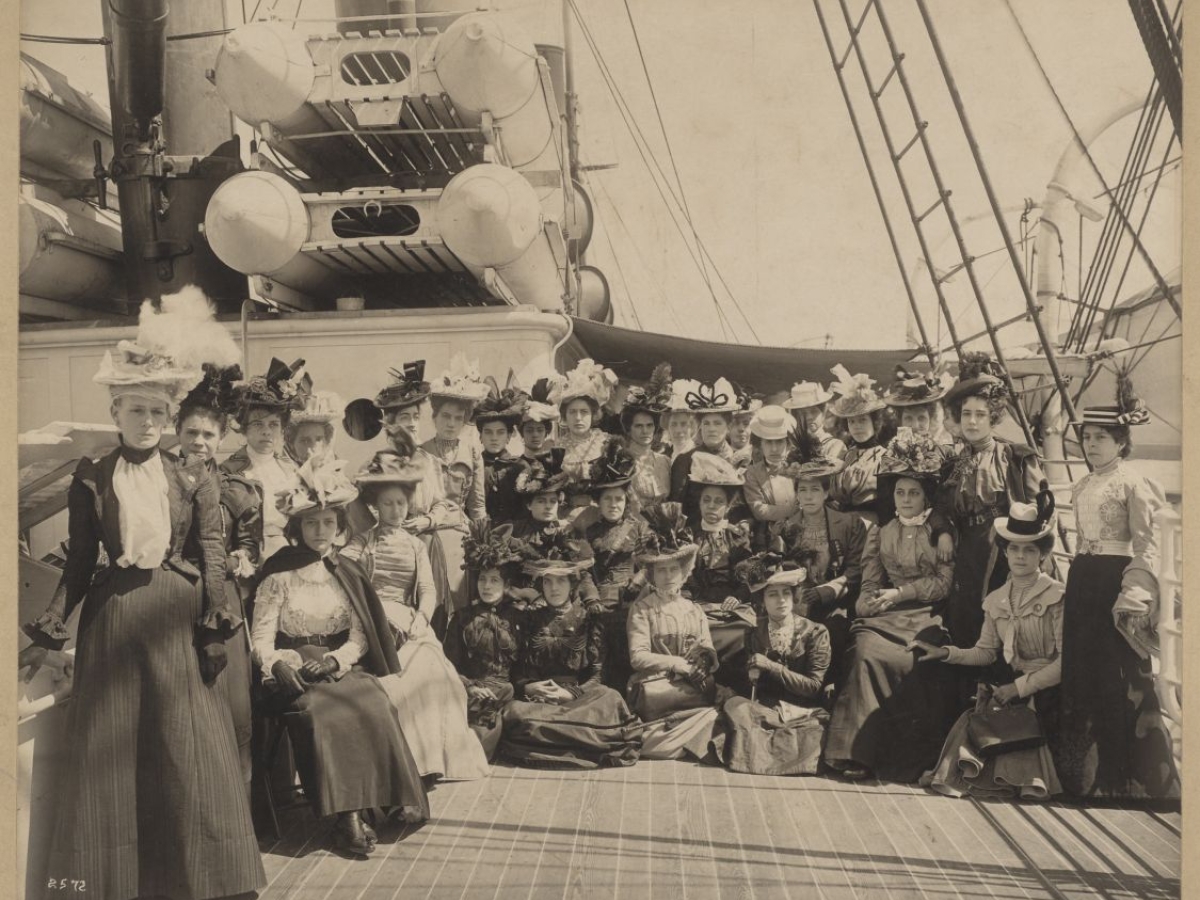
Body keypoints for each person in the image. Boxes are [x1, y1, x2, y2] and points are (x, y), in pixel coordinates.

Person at [18, 292, 266, 900]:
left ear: (169, 413)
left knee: (190, 748)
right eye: (135, 409)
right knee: (111, 753)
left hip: (176, 618)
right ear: (115, 410)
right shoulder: (91, 476)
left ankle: (209, 880)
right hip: (113, 618)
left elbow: (210, 550)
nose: (147, 421)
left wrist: (217, 622)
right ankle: (105, 885)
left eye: (157, 411)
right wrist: (53, 619)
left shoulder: (194, 474)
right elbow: (79, 560)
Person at [252, 453, 429, 856]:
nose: (320, 530)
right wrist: (276, 663)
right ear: (297, 528)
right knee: (320, 711)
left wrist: (337, 661)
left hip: (337, 663)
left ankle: (384, 798)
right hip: (293, 668)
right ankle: (344, 817)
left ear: (339, 526)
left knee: (372, 700)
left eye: (328, 522)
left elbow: (362, 634)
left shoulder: (345, 568)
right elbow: (260, 635)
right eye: (311, 523)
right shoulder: (279, 572)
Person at [1051, 381, 1180, 799]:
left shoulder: (1134, 483)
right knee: (1085, 676)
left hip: (1117, 582)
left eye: (1101, 437)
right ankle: (1092, 781)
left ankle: (1134, 784)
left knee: (1122, 679)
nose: (1091, 445)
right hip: (1084, 579)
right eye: (1086, 437)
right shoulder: (1083, 485)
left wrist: (1136, 592)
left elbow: (1147, 542)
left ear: (1121, 442)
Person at [824, 430, 958, 783]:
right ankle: (855, 752)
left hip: (927, 612)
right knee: (865, 650)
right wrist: (868, 603)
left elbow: (942, 584)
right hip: (887, 612)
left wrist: (900, 593)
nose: (906, 498)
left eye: (914, 492)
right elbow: (870, 579)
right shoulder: (881, 532)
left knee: (913, 658)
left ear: (926, 495)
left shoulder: (940, 533)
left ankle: (899, 757)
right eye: (900, 492)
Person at [914, 497, 1064, 800]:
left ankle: (1026, 779)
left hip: (1050, 688)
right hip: (1013, 686)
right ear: (1005, 552)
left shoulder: (1058, 595)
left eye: (1030, 549)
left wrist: (1018, 689)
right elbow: (985, 651)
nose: (1020, 556)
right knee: (976, 720)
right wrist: (946, 653)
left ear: (1043, 555)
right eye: (1014, 549)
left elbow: (1067, 662)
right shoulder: (997, 599)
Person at [175, 363, 258, 797]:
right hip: (173, 606)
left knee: (233, 709)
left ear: (222, 438)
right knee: (187, 714)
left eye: (208, 435)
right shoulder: (163, 482)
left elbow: (250, 544)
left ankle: (240, 816)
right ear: (178, 431)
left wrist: (242, 558)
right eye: (192, 433)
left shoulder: (236, 489)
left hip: (223, 605)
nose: (200, 442)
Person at [937, 352, 1044, 651]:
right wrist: (944, 530)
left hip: (1002, 549)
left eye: (980, 414)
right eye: (967, 414)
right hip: (967, 548)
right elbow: (942, 506)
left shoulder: (1014, 458)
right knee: (965, 619)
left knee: (1003, 619)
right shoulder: (955, 463)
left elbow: (1040, 510)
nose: (972, 421)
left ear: (992, 417)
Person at [500, 556, 642, 769]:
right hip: (540, 699)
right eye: (547, 582)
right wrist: (529, 686)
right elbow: (518, 670)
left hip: (579, 698)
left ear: (572, 585)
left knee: (610, 698)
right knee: (514, 712)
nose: (553, 588)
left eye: (561, 581)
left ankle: (547, 741)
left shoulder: (589, 619)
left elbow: (598, 675)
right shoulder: (528, 619)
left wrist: (571, 694)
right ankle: (578, 739)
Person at [627, 503, 724, 761]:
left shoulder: (694, 610)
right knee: (645, 737)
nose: (668, 576)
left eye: (674, 569)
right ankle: (673, 742)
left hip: (691, 693)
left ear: (684, 573)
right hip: (655, 692)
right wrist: (676, 664)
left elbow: (707, 648)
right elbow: (638, 656)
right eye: (661, 570)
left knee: (723, 713)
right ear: (651, 575)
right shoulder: (642, 609)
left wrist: (704, 661)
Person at [718, 553, 830, 776]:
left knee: (813, 731)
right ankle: (758, 752)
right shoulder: (754, 631)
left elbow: (813, 686)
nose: (781, 600)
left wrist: (772, 666)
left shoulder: (815, 632)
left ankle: (764, 754)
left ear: (794, 596)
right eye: (772, 594)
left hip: (801, 709)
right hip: (766, 709)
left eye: (786, 593)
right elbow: (751, 685)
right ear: (762, 600)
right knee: (735, 706)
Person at [772, 430, 867, 691]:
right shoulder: (786, 527)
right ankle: (793, 687)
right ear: (797, 494)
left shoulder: (848, 523)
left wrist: (826, 591)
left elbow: (856, 570)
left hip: (835, 601)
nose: (809, 496)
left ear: (826, 492)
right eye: (803, 490)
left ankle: (828, 686)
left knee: (833, 629)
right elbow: (780, 567)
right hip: (798, 599)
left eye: (815, 489)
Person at [444, 519, 527, 759]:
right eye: (482, 579)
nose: (487, 586)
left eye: (494, 580)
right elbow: (448, 664)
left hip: (508, 693)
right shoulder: (462, 618)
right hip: (471, 693)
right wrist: (470, 686)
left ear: (506, 584)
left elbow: (524, 667)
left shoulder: (518, 617)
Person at [577, 442, 652, 691]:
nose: (614, 504)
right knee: (594, 622)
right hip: (600, 596)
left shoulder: (638, 527)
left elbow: (649, 563)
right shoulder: (591, 532)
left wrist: (637, 583)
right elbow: (585, 570)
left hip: (631, 596)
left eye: (619, 499)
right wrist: (591, 598)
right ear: (598, 502)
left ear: (625, 501)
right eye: (607, 499)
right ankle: (597, 674)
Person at [422, 356, 492, 613]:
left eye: (458, 418)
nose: (451, 424)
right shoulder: (421, 453)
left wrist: (485, 546)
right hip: (428, 536)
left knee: (461, 600)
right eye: (446, 416)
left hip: (461, 535)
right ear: (434, 417)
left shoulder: (472, 452)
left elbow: (478, 504)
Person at [221, 357, 306, 561]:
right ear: (244, 428)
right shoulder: (229, 471)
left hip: (287, 552)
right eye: (258, 425)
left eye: (273, 425)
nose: (267, 432)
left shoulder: (291, 469)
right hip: (248, 555)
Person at [549, 358, 620, 521]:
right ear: (565, 416)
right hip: (565, 516)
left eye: (584, 412)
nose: (578, 418)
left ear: (593, 415)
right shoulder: (557, 446)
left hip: (601, 515)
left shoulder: (605, 442)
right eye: (572, 412)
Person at [824, 365, 893, 525]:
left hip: (872, 528)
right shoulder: (847, 455)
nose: (857, 426)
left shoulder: (885, 456)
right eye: (851, 421)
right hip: (842, 527)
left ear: (874, 422)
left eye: (863, 420)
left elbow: (886, 506)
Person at [669, 377, 741, 518]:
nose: (711, 429)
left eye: (717, 423)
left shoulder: (739, 459)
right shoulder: (685, 460)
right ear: (700, 426)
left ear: (729, 427)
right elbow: (676, 505)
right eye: (706, 423)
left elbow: (743, 505)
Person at [741, 404, 798, 547]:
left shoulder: (798, 468)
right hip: (768, 537)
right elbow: (759, 510)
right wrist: (796, 510)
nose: (774, 449)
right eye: (768, 442)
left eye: (779, 442)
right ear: (760, 444)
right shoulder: (752, 473)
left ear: (788, 443)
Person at [620, 363, 673, 512]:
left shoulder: (665, 461)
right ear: (629, 429)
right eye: (638, 426)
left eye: (649, 425)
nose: (645, 431)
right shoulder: (621, 461)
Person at [474, 384, 528, 524]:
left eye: (500, 432)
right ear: (480, 436)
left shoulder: (520, 466)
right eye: (488, 432)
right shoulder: (474, 465)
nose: (494, 438)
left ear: (509, 436)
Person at [882, 368, 954, 448]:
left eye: (921, 418)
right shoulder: (889, 449)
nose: (915, 426)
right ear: (900, 421)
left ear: (930, 419)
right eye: (908, 418)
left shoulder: (942, 448)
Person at [782, 380, 847, 460]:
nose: (809, 417)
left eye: (814, 411)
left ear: (823, 414)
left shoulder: (834, 446)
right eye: (803, 413)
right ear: (796, 417)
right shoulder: (792, 449)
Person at [285, 387, 346, 464]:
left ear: (327, 441)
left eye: (319, 439)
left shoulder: (335, 471)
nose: (312, 448)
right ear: (291, 443)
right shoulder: (282, 471)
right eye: (305, 441)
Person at [662, 375, 701, 460]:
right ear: (667, 427)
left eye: (684, 424)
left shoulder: (700, 456)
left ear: (692, 427)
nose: (678, 430)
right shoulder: (663, 457)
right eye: (673, 424)